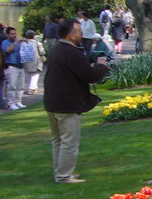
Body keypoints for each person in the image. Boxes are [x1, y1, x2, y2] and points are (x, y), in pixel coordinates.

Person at [43, 18, 111, 184]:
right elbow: (89, 75)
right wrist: (101, 65)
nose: (81, 35)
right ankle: (64, 176)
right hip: (66, 103)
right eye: (79, 33)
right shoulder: (70, 52)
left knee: (58, 140)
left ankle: (61, 172)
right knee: (69, 141)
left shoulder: (57, 49)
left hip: (53, 102)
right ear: (72, 35)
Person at [0, 26, 26, 110]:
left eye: (15, 34)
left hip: (20, 65)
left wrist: (26, 42)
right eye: (12, 34)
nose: (14, 35)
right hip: (11, 66)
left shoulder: (20, 42)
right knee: (12, 86)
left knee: (20, 86)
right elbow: (7, 50)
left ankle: (18, 101)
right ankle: (10, 103)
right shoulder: (5, 42)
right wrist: (16, 42)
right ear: (7, 35)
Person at [22, 29, 46, 94]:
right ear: (34, 36)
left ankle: (34, 88)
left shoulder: (23, 43)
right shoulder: (38, 43)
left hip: (26, 60)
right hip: (36, 61)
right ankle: (32, 89)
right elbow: (42, 52)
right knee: (35, 75)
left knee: (30, 75)